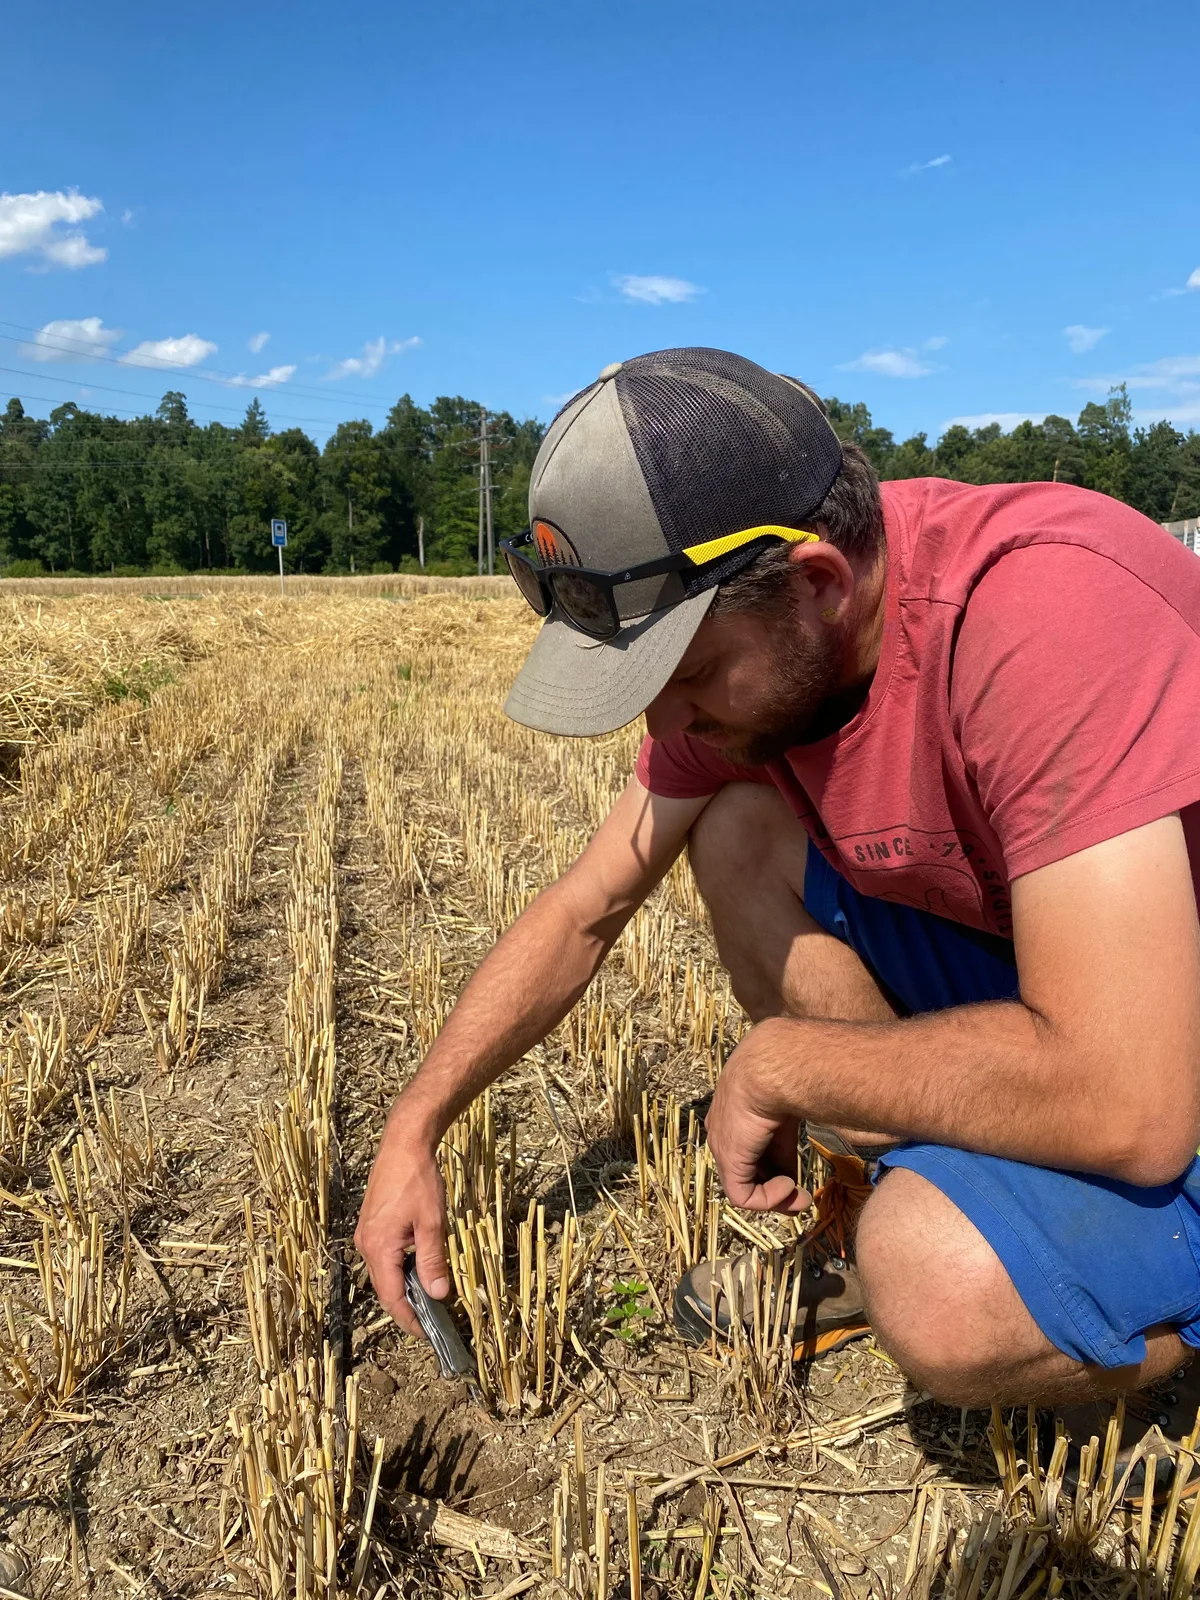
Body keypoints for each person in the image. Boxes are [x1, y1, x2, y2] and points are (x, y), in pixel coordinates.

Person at [356, 347, 1200, 1463]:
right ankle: (936, 1188)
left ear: (815, 584)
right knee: (735, 821)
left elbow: (1126, 1101)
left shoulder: (1041, 612)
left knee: (937, 1281)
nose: (665, 732)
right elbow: (587, 908)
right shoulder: (788, 657)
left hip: (1157, 1037)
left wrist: (788, 1062)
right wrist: (415, 1125)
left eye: (691, 677)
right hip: (1062, 971)